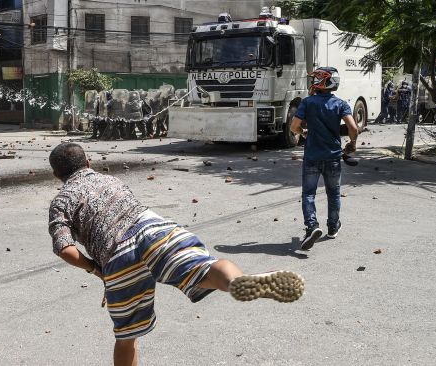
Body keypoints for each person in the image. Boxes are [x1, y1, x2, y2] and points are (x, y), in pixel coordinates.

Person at [47, 142, 304, 366]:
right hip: (153, 229)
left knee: (126, 338)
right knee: (205, 269)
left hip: (116, 256)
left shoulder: (62, 200)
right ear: (89, 162)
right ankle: (237, 281)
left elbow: (65, 249)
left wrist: (97, 269)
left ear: (57, 175)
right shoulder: (111, 180)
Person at [289, 67, 359, 250]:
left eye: (315, 80)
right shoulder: (341, 104)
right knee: (333, 194)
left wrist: (303, 133)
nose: (312, 82)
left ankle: (312, 226)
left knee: (309, 194)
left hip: (312, 156)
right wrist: (352, 143)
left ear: (321, 82)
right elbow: (353, 127)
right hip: (333, 157)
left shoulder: (307, 102)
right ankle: (333, 226)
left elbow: (294, 126)